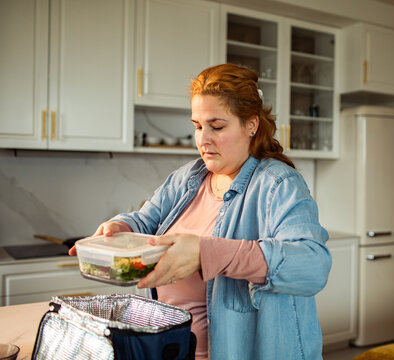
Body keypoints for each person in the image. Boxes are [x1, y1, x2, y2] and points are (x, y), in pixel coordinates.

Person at [70, 63, 331, 359]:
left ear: (251, 124)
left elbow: (312, 265)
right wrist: (121, 227)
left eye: (217, 126)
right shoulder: (188, 178)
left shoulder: (278, 184)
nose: (203, 139)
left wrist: (205, 253)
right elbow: (145, 220)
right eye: (197, 125)